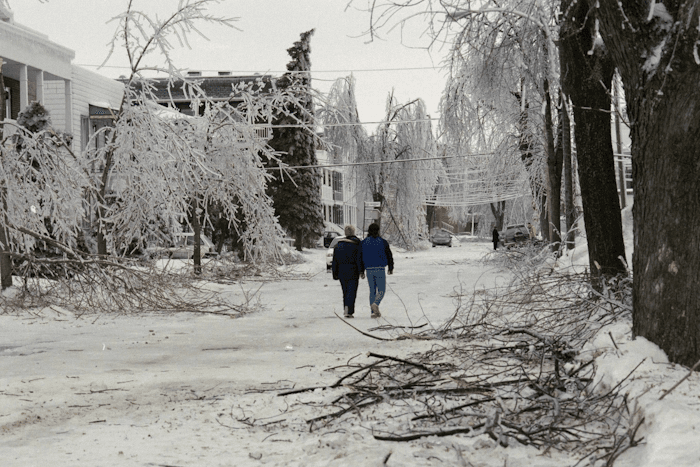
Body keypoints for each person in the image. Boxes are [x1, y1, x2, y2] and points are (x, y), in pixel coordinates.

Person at [360, 223, 394, 319]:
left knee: (372, 291)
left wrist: (361, 271)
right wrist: (390, 267)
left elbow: (360, 257)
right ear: (378, 231)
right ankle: (376, 303)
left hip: (369, 269)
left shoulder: (363, 243)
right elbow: (389, 255)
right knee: (381, 290)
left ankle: (373, 312)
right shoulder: (383, 242)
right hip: (380, 269)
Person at [331, 225, 364, 318]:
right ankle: (349, 310)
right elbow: (359, 259)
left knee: (345, 291)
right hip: (353, 271)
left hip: (341, 271)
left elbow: (335, 261)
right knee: (352, 291)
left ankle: (346, 307)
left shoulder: (338, 245)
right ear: (353, 232)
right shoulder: (357, 244)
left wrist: (334, 273)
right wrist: (361, 271)